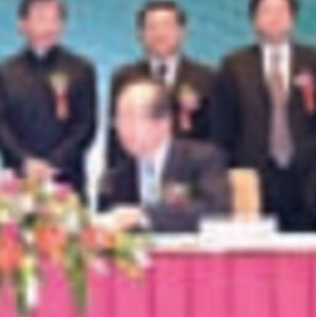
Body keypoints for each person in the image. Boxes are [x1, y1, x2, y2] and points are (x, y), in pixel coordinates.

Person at [211, 0, 316, 231]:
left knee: (306, 250)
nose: (274, 18)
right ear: (254, 19)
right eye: (266, 11)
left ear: (293, 18)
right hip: (253, 179)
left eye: (281, 11)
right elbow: (222, 128)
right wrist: (225, 179)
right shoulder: (234, 66)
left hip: (308, 180)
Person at [0, 0, 97, 197]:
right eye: (40, 18)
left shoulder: (81, 69)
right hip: (18, 179)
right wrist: (25, 162)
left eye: (54, 19)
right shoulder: (5, 71)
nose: (48, 26)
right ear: (22, 24)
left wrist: (54, 163)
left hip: (66, 177)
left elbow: (86, 125)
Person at [98, 79, 230, 233]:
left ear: (164, 123)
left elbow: (216, 210)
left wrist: (146, 217)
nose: (123, 129)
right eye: (119, 119)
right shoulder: (118, 175)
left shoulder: (202, 159)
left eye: (133, 119)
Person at [107, 0, 215, 166]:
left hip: (191, 171)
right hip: (136, 170)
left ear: (182, 32)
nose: (160, 34)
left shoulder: (206, 77)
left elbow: (215, 134)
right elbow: (115, 134)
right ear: (140, 34)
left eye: (167, 26)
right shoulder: (124, 78)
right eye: (152, 27)